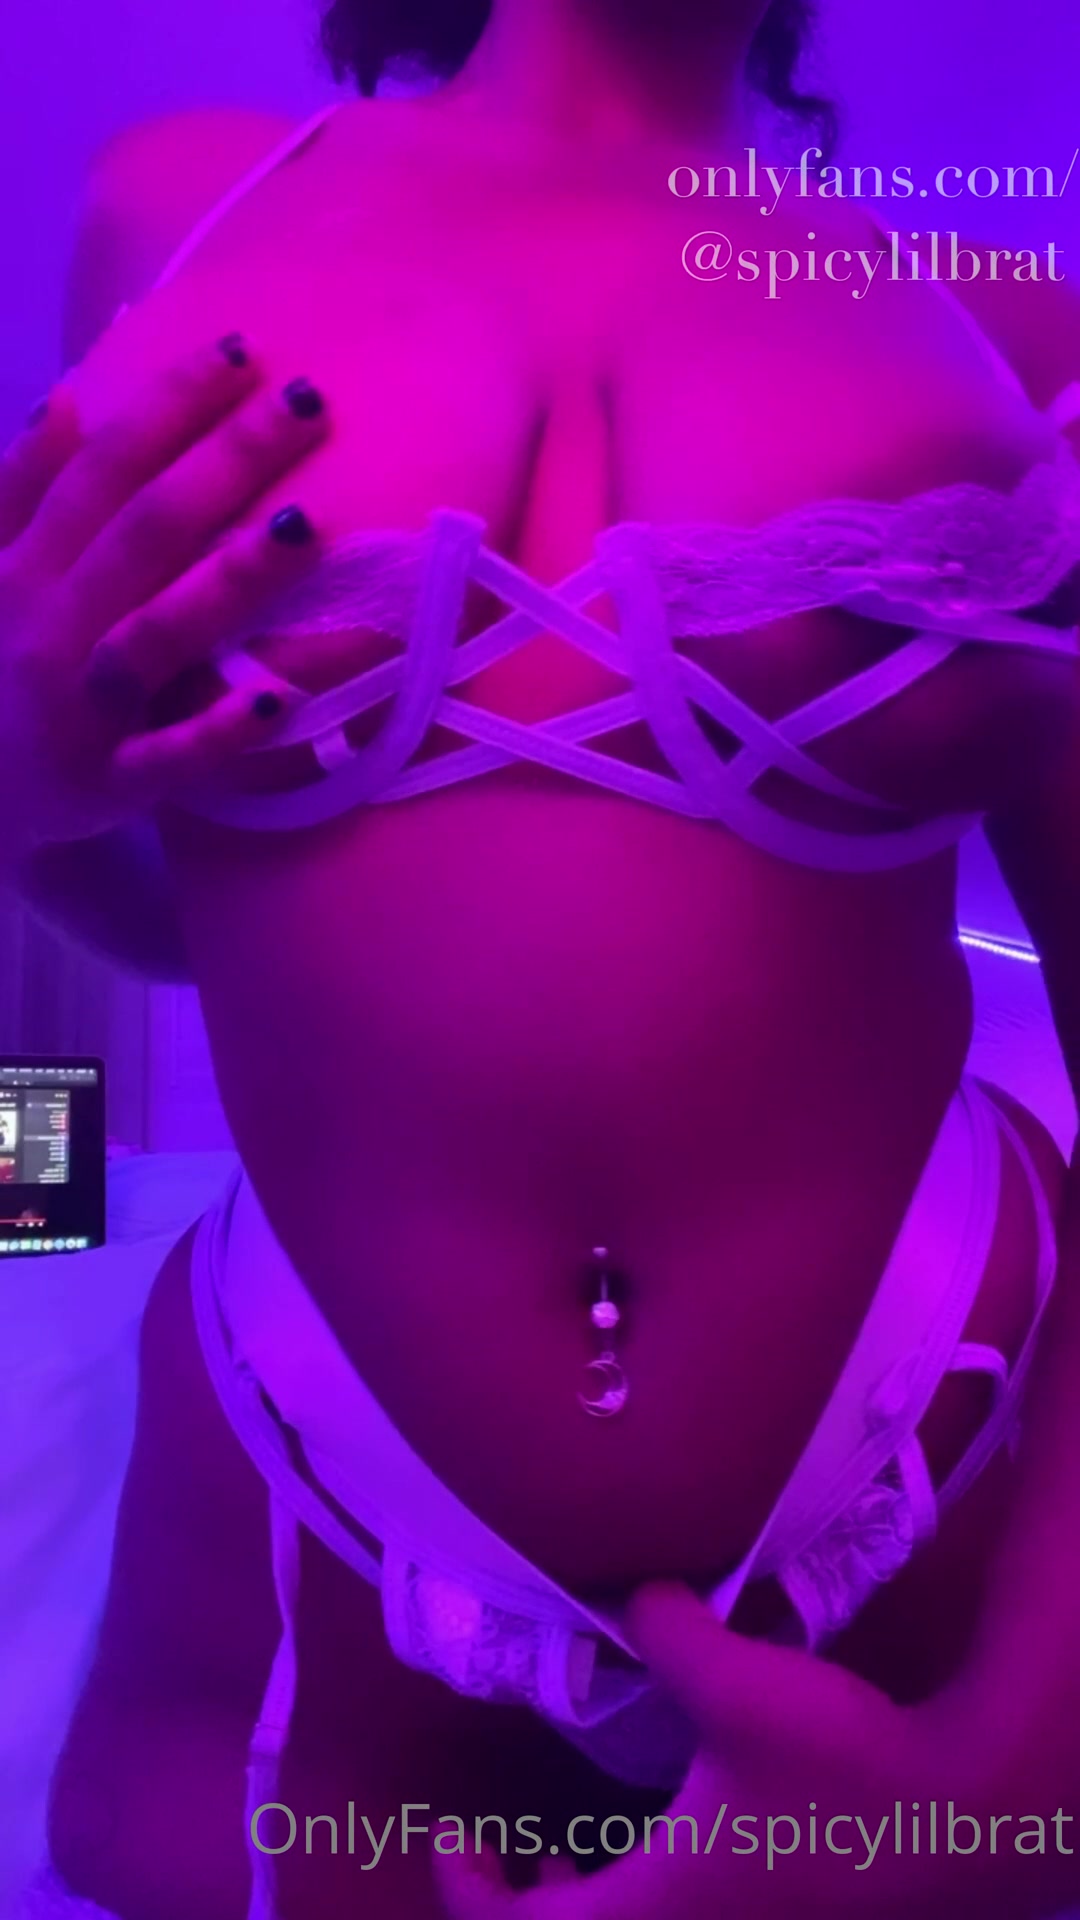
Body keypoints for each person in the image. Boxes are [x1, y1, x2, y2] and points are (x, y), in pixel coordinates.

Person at [3, 3, 1080, 1916]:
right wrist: (21, 804)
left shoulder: (1017, 328)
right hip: (317, 1428)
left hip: (946, 1387)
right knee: (133, 1835)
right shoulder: (173, 213)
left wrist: (1012, 1768)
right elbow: (208, 928)